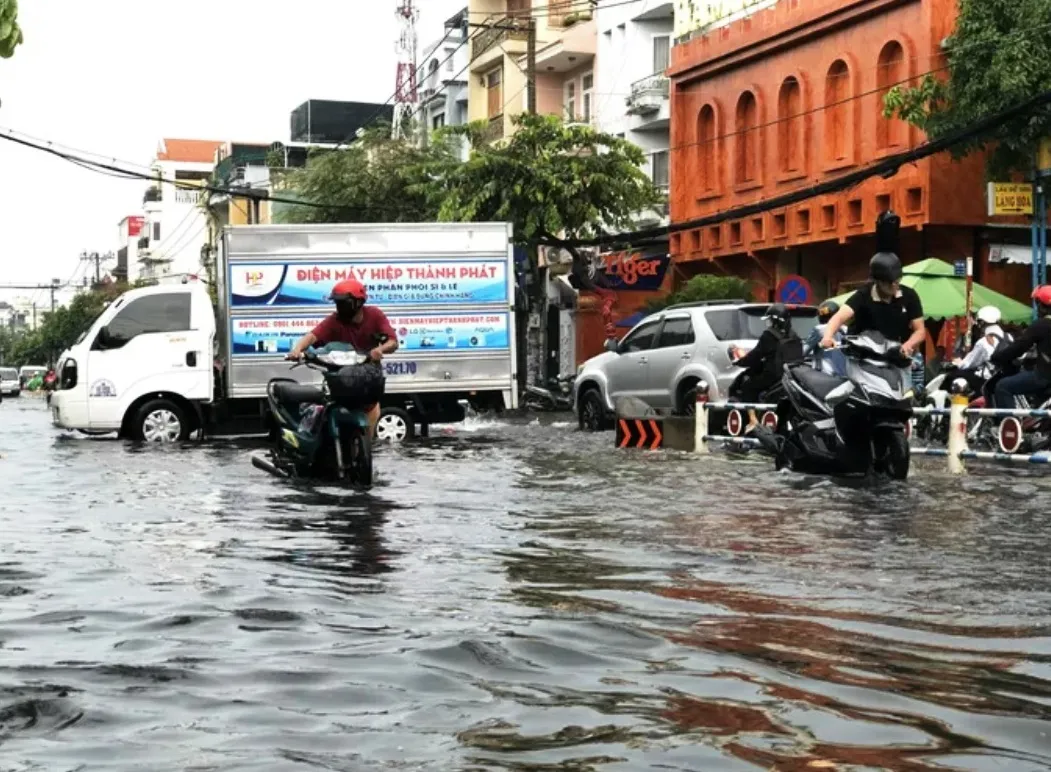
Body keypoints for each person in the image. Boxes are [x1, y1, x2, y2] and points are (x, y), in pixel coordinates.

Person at [286, 279, 399, 438]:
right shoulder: (335, 320)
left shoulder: (375, 315)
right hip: (341, 379)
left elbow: (393, 342)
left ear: (358, 302)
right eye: (337, 303)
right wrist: (297, 350)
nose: (339, 307)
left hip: (366, 378)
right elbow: (312, 336)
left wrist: (379, 350)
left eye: (344, 303)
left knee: (371, 415)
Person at [820, 252, 925, 356]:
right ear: (877, 281)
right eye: (889, 282)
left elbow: (920, 331)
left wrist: (908, 345)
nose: (894, 285)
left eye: (897, 281)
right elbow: (839, 317)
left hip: (897, 358)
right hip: (864, 360)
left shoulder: (909, 296)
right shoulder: (863, 295)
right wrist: (828, 337)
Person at [731, 303, 803, 431]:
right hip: (793, 375)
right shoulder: (795, 336)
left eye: (770, 320)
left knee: (748, 386)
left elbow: (755, 355)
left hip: (774, 376)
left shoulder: (769, 335)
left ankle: (753, 421)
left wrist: (741, 362)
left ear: (774, 321)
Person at [990, 286, 1051, 410]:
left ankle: (1009, 427)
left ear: (1041, 306)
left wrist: (997, 357)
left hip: (1045, 376)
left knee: (1002, 386)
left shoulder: (1041, 325)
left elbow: (1019, 347)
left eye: (1037, 304)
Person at [941, 305, 1007, 394]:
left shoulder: (984, 342)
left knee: (952, 375)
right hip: (1004, 376)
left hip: (988, 381)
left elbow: (968, 364)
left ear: (981, 322)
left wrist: (958, 362)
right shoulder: (1009, 337)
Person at [804, 299, 847, 375]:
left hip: (824, 373)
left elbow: (804, 351)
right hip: (844, 374)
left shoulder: (819, 329)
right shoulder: (845, 329)